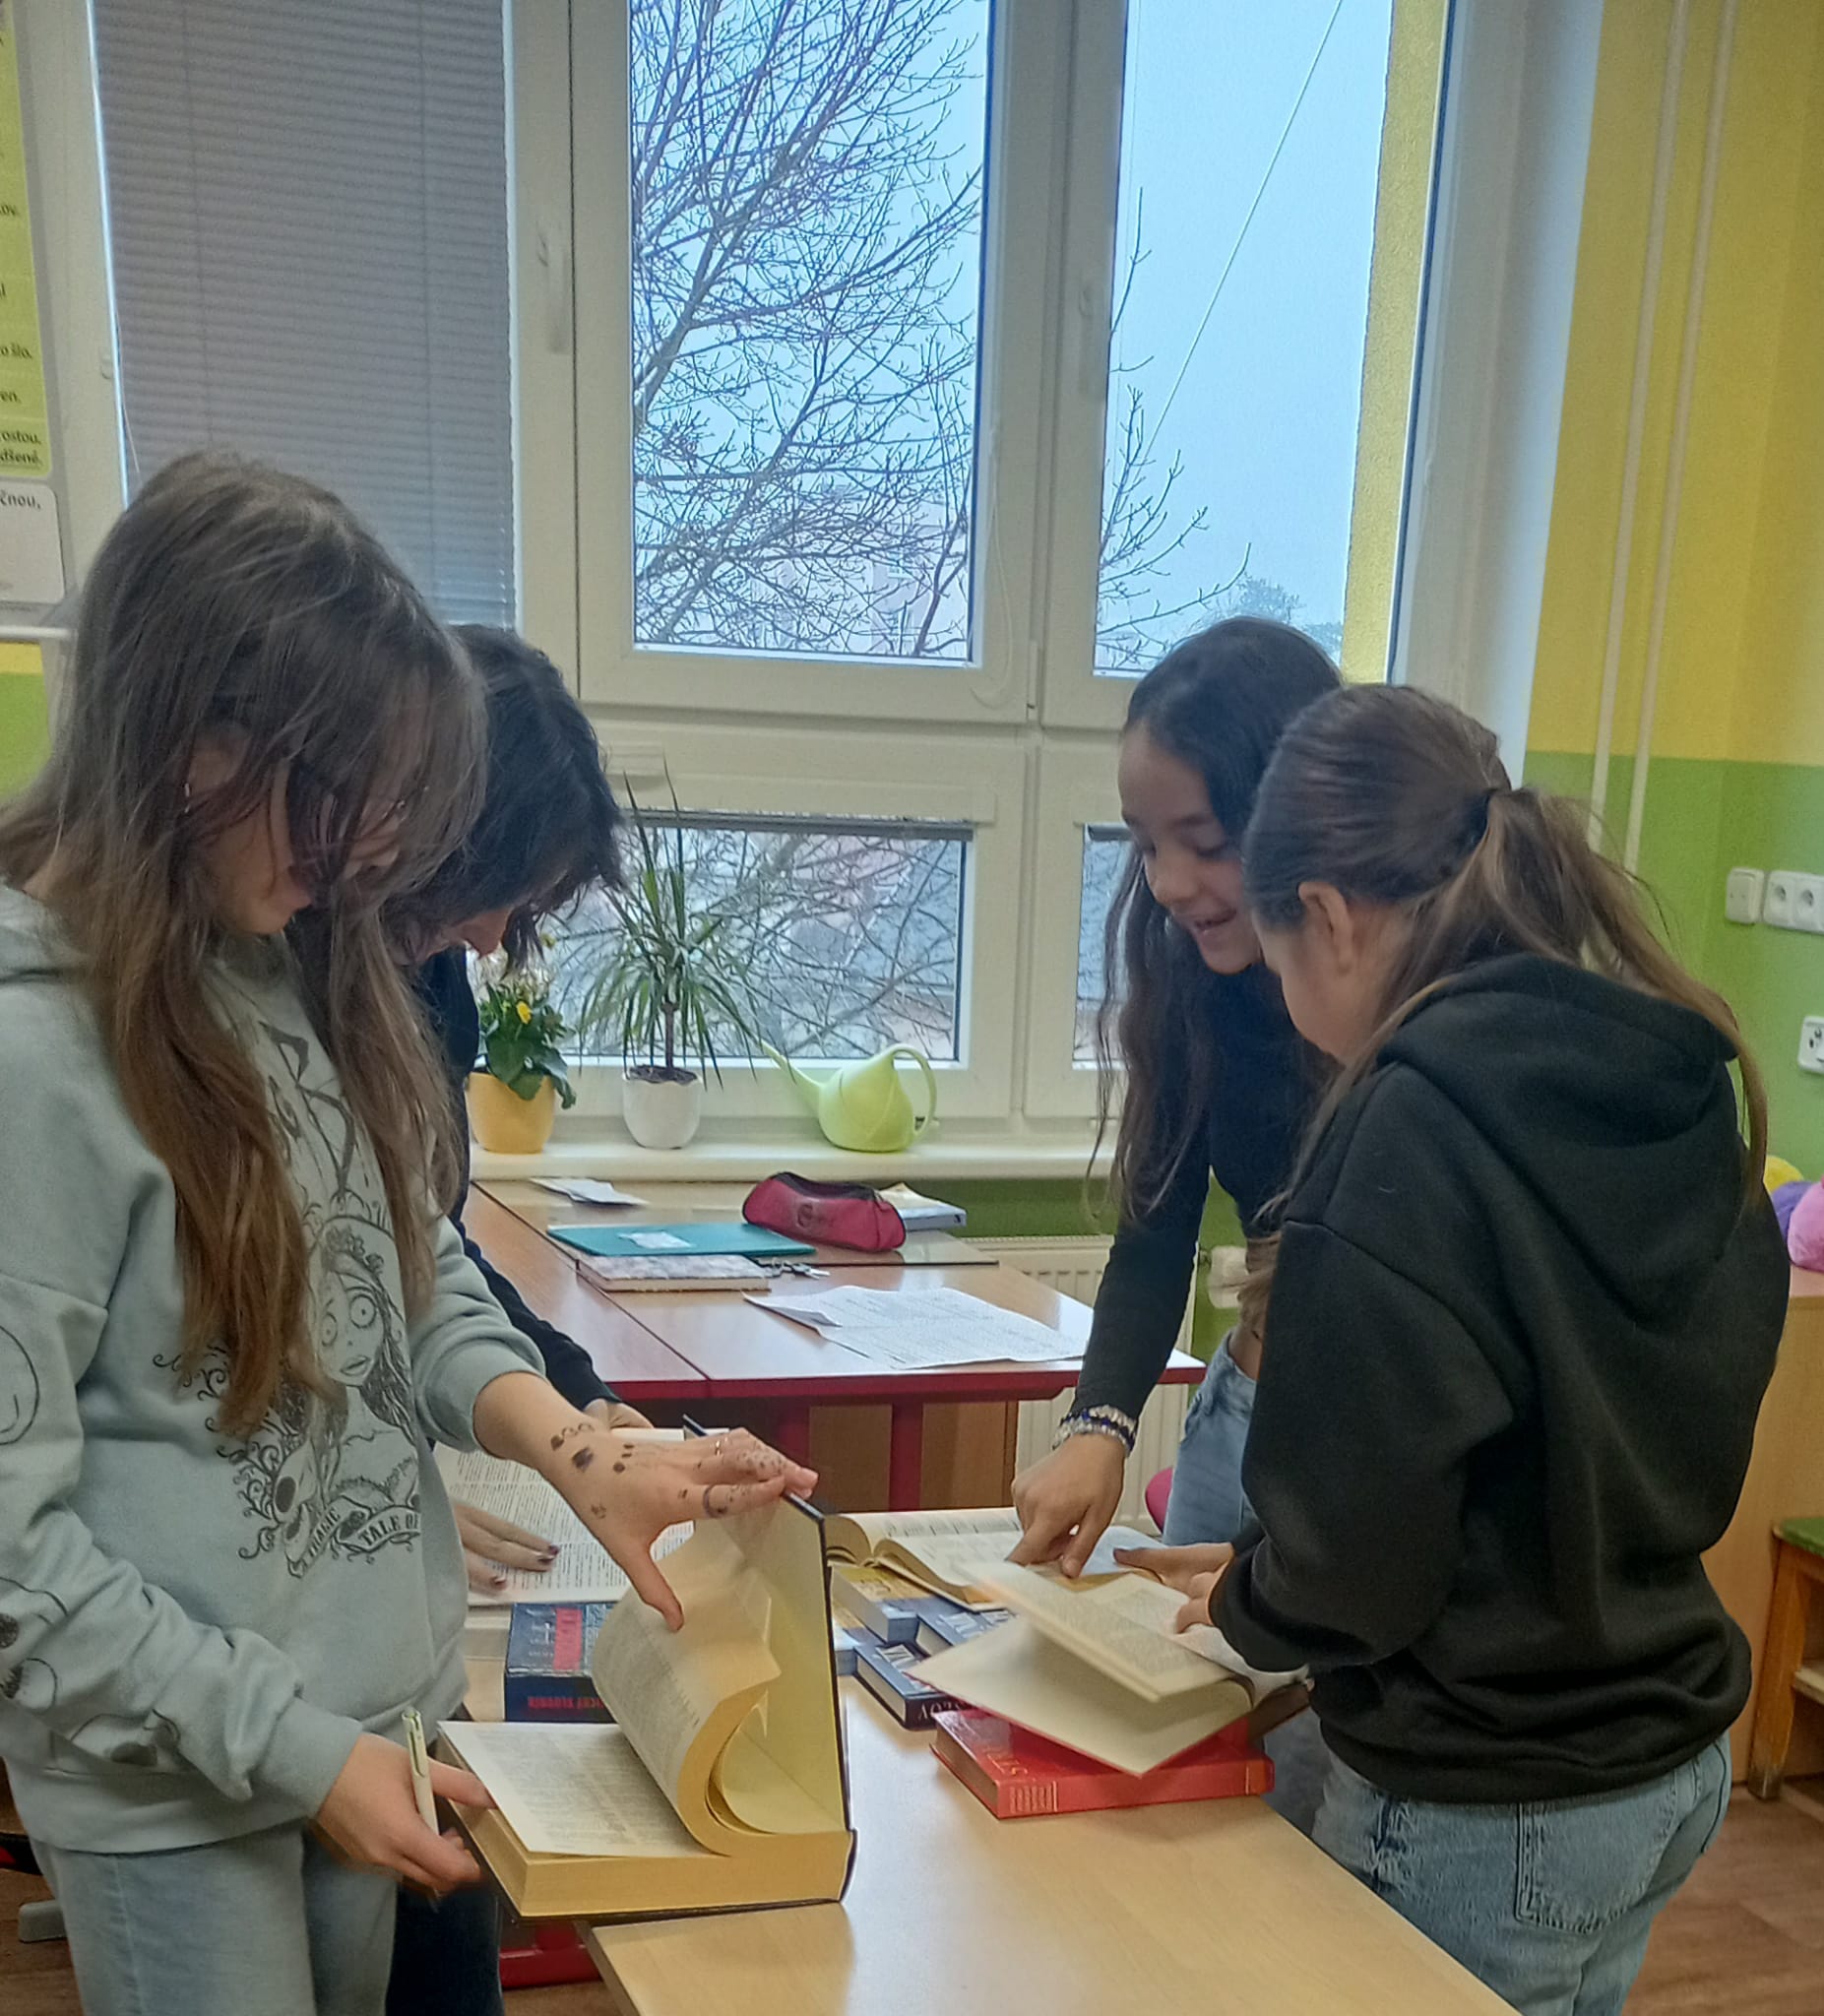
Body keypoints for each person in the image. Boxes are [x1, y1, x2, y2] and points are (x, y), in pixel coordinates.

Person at [0, 454, 814, 2016]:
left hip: (361, 1723)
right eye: (336, 790)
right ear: (190, 735)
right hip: (184, 1784)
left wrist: (583, 1451)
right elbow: (14, 1551)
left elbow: (408, 1284)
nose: (366, 851)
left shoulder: (295, 969)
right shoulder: (37, 1051)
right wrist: (298, 1750)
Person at [1130, 685, 1786, 2016]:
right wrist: (1271, 1565)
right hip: (1663, 1749)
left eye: (1281, 961)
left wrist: (1261, 1599)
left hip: (1491, 1794)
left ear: (1328, 917)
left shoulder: (1406, 1125)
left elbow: (1361, 1561)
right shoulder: (1664, 1067)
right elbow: (1558, 1431)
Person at [1008, 618, 1337, 1823]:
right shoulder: (1188, 968)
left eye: (1202, 842)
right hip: (1246, 1409)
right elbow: (1152, 1232)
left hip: (1352, 1449)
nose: (1167, 882)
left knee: (1292, 1812)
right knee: (1181, 1790)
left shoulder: (1390, 1007)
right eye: (1145, 844)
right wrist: (1097, 1421)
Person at [392, 624, 651, 1600]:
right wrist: (375, 1505)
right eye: (489, 887)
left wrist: (581, 1400)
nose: (492, 935)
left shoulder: (432, 978)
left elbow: (424, 1247)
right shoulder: (271, 989)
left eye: (522, 906)